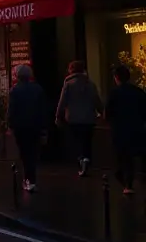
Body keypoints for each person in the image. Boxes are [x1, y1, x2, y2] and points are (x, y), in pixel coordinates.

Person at [56, 59, 102, 176]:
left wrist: (58, 116)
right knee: (87, 141)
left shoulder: (68, 84)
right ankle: (86, 158)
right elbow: (97, 100)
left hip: (73, 119)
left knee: (76, 141)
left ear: (71, 70)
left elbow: (62, 102)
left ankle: (81, 160)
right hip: (89, 118)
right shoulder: (91, 84)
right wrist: (102, 112)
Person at [105, 65, 146, 194]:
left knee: (122, 158)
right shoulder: (138, 92)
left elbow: (107, 113)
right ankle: (131, 183)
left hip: (120, 130)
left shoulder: (114, 93)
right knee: (134, 157)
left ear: (116, 77)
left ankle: (127, 184)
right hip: (137, 129)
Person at [8, 64, 48, 193]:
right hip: (35, 125)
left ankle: (28, 179)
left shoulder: (15, 91)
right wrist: (43, 126)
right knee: (33, 152)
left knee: (25, 153)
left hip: (21, 127)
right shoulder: (38, 89)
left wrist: (10, 125)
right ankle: (31, 179)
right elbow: (43, 109)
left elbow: (11, 110)